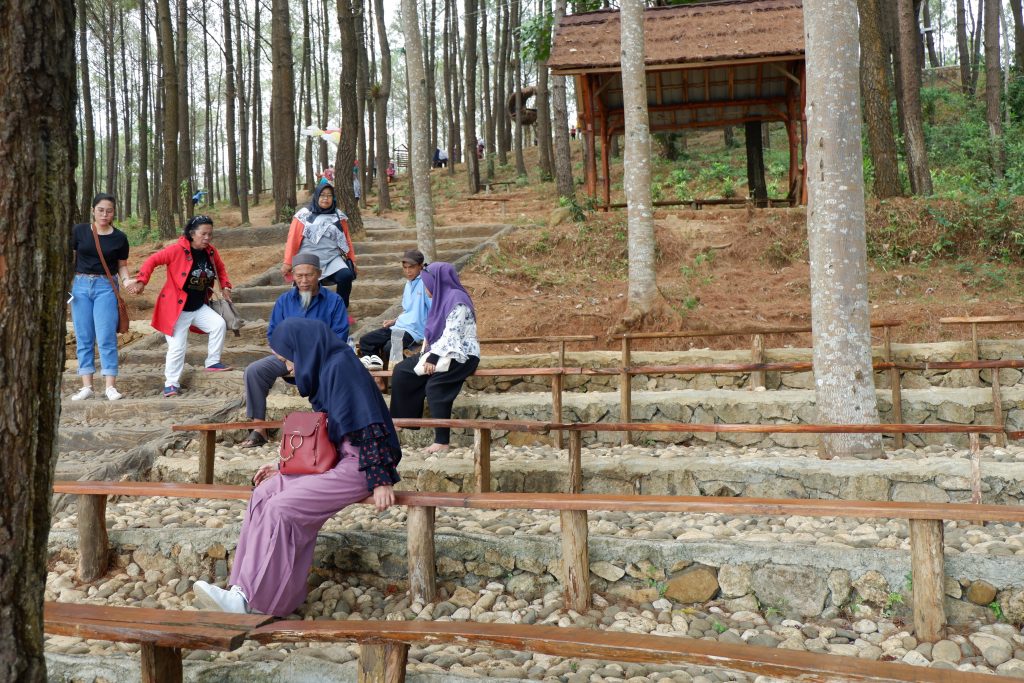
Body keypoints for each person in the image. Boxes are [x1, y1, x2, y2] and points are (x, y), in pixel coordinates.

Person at [192, 318, 401, 616]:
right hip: (337, 459)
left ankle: (250, 600)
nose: (285, 364)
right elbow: (324, 439)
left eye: (286, 356)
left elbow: (368, 422)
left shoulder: (342, 367)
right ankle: (241, 592)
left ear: (303, 348)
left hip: (362, 465)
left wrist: (380, 479)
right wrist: (285, 467)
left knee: (282, 508)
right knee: (263, 495)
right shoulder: (326, 370)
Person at [239, 253, 349, 449]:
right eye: (299, 276)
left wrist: (308, 362)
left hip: (321, 360)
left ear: (319, 275)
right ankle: (259, 428)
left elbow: (339, 337)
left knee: (335, 370)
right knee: (254, 371)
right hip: (286, 359)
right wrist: (289, 361)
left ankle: (328, 426)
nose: (303, 281)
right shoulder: (284, 301)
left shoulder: (334, 301)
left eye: (308, 275)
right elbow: (273, 336)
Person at [129, 215, 234, 397]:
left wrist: (225, 286)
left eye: (210, 234)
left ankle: (213, 361)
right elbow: (152, 261)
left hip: (198, 307)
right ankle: (171, 384)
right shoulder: (176, 250)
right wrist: (141, 281)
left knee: (218, 324)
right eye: (203, 234)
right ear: (192, 233)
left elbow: (221, 268)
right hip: (176, 310)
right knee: (178, 347)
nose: (207, 238)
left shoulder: (210, 252)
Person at [389, 262, 480, 453]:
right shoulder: (441, 299)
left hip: (462, 354)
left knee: (435, 387)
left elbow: (452, 335)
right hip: (442, 350)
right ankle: (404, 421)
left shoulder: (457, 300)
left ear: (437, 282)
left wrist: (433, 358)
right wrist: (428, 354)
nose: (425, 288)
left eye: (427, 283)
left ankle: (442, 441)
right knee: (402, 371)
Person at [69, 193, 132, 401]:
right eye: (101, 210)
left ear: (114, 212)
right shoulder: (79, 231)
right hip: (80, 286)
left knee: (106, 337)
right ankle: (86, 386)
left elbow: (122, 266)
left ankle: (110, 386)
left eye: (109, 210)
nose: (105, 214)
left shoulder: (119, 238)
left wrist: (127, 282)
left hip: (106, 286)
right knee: (84, 336)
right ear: (93, 210)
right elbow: (70, 258)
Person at [283, 183, 357, 309]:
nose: (325, 198)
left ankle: (341, 310)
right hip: (308, 259)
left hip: (332, 258)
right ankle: (305, 311)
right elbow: (293, 239)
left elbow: (346, 239)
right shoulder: (303, 215)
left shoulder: (339, 215)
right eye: (322, 195)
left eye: (329, 195)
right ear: (316, 196)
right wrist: (288, 262)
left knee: (346, 276)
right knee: (307, 286)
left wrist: (352, 259)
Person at [358, 250, 430, 371]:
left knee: (389, 347)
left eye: (411, 267)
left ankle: (402, 376)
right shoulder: (408, 284)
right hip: (398, 326)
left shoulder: (426, 283)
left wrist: (431, 334)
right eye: (405, 268)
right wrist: (394, 321)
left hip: (414, 331)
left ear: (420, 266)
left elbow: (434, 310)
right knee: (366, 341)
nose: (408, 271)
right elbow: (408, 310)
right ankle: (378, 377)